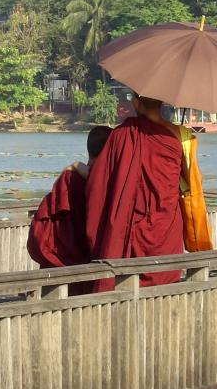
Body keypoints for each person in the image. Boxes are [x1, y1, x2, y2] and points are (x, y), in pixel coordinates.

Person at [85, 95, 186, 291]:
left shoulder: (122, 135)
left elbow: (99, 181)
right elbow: (188, 182)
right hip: (166, 225)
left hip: (132, 225)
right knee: (165, 287)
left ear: (137, 102)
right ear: (162, 102)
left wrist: (80, 170)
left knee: (128, 285)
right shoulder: (176, 138)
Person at [27, 126, 112, 292]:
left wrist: (77, 166)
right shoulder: (79, 179)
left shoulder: (70, 177)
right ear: (109, 151)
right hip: (89, 255)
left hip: (62, 255)